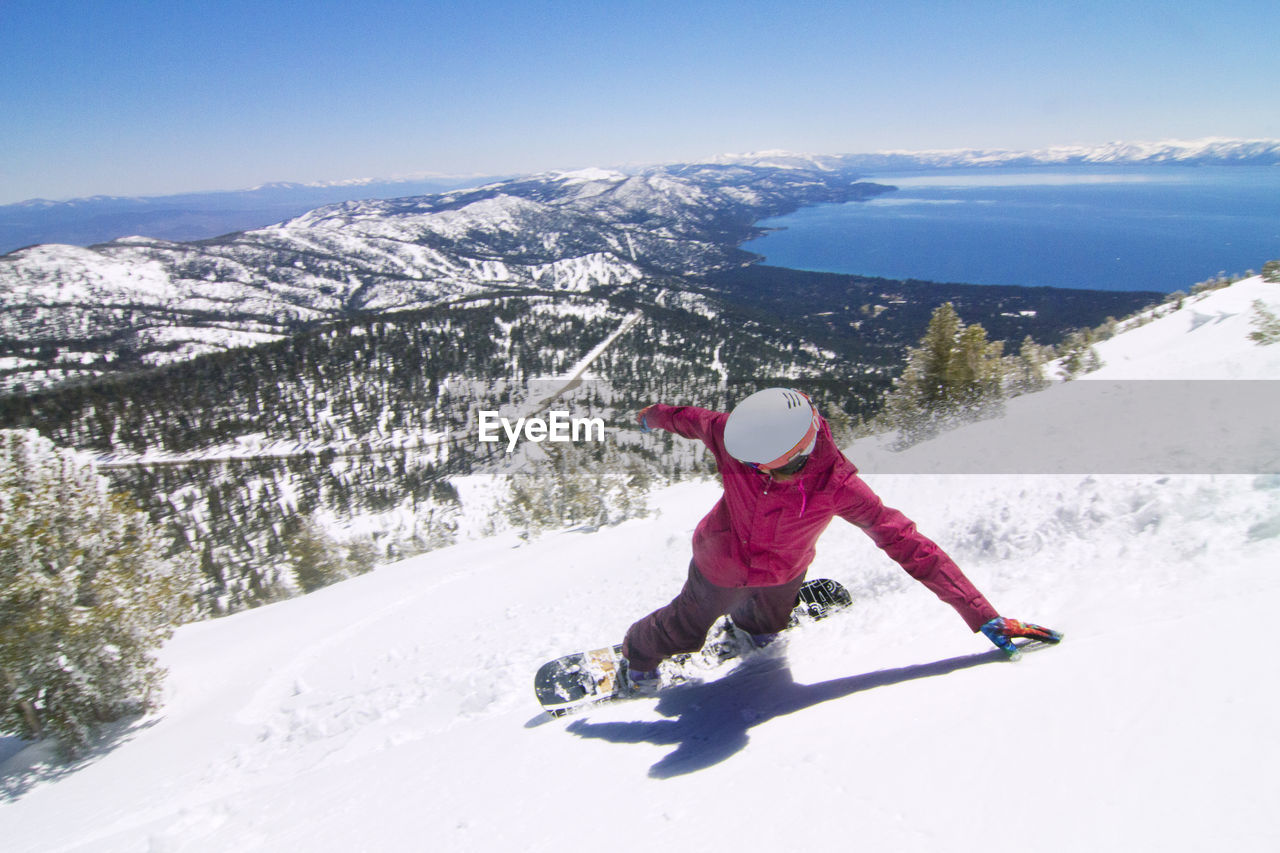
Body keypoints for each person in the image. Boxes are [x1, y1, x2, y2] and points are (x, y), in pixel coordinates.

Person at [621, 387, 1058, 693]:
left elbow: (909, 545)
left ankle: (751, 633)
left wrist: (982, 615)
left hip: (784, 573)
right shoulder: (733, 436)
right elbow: (685, 419)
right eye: (753, 466)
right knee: (682, 626)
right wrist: (649, 416)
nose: (762, 474)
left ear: (804, 449)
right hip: (719, 562)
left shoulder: (839, 487)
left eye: (775, 467)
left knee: (768, 623)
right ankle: (637, 660)